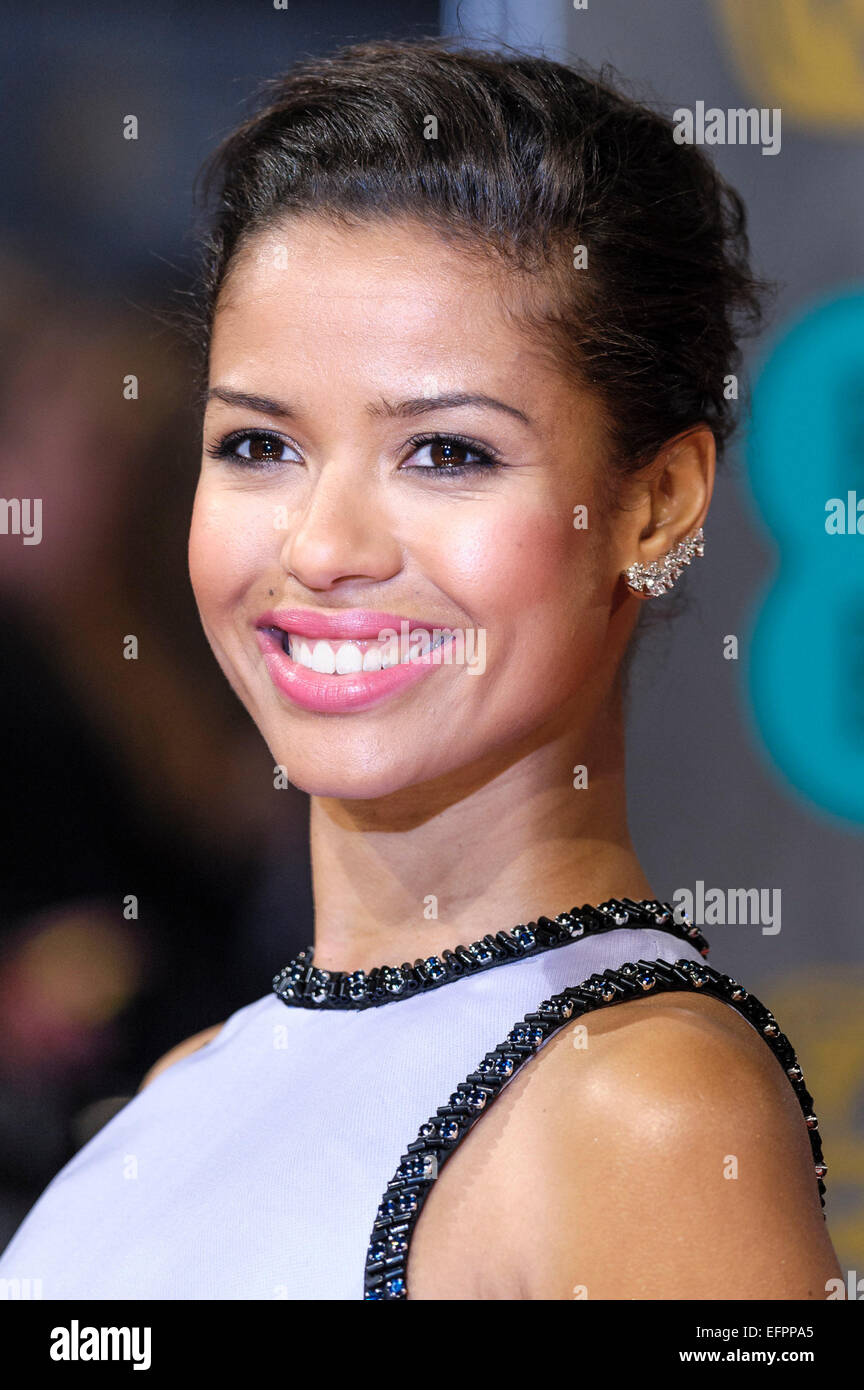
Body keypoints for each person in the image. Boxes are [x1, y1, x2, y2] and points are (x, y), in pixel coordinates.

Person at [0, 39, 841, 1300]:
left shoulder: (643, 1108)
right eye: (258, 445)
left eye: (447, 453)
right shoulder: (190, 1084)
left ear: (655, 504)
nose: (323, 546)